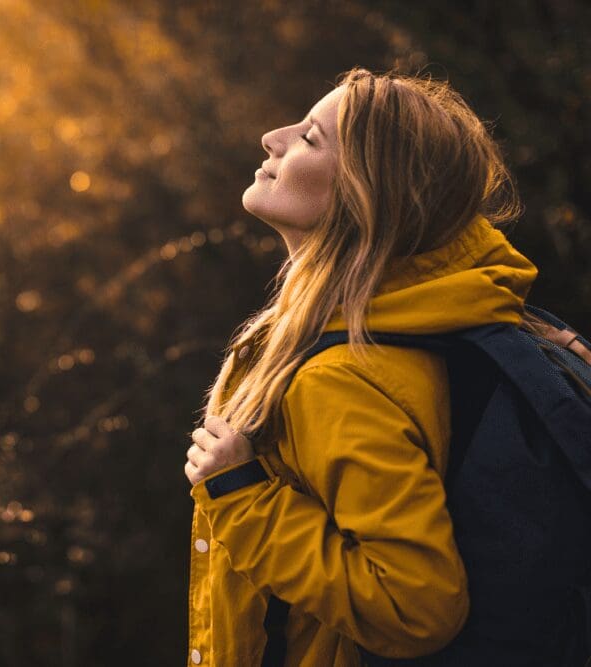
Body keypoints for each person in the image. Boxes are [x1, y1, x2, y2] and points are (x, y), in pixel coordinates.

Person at [183, 67, 553, 665]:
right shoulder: (431, 316)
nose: (272, 137)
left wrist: (244, 500)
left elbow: (418, 606)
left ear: (365, 193)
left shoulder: (340, 379)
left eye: (309, 138)